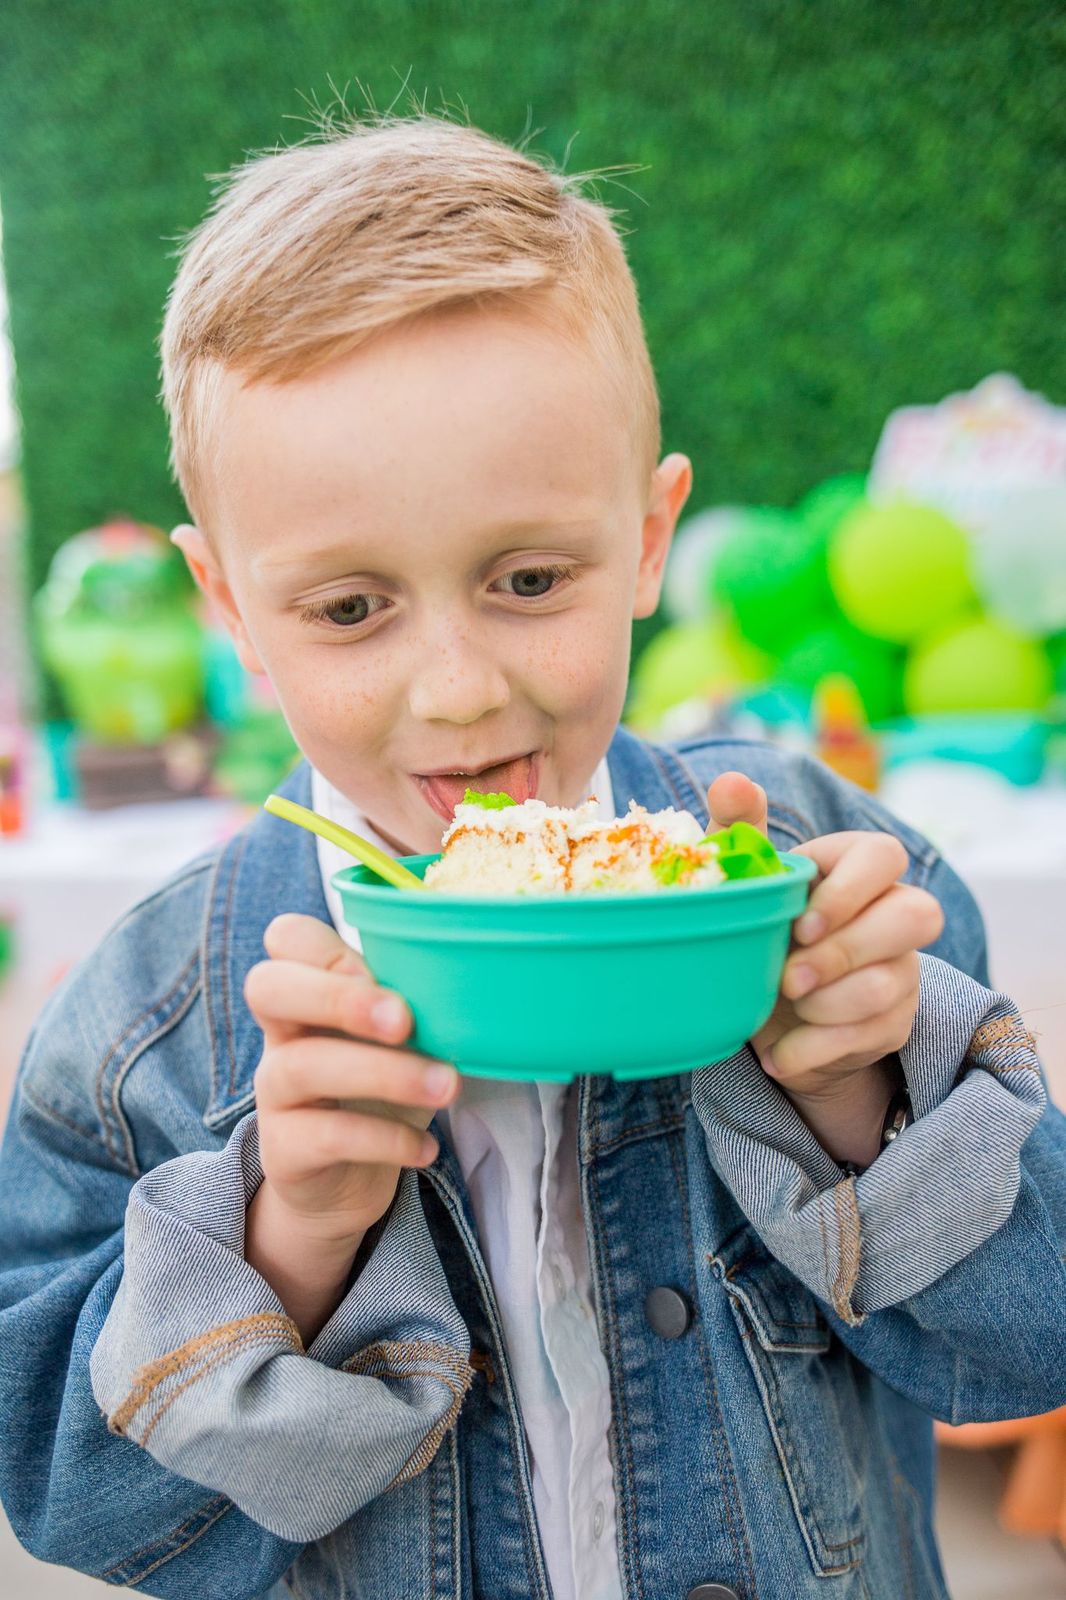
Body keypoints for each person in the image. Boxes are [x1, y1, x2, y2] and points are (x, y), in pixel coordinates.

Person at [0, 114, 1062, 1600]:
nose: (456, 691)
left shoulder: (835, 885)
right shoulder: (145, 1030)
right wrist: (288, 1242)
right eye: (351, 608)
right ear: (230, 609)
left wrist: (851, 1099)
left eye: (526, 579)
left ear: (645, 540)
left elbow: (1025, 1339)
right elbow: (67, 1499)